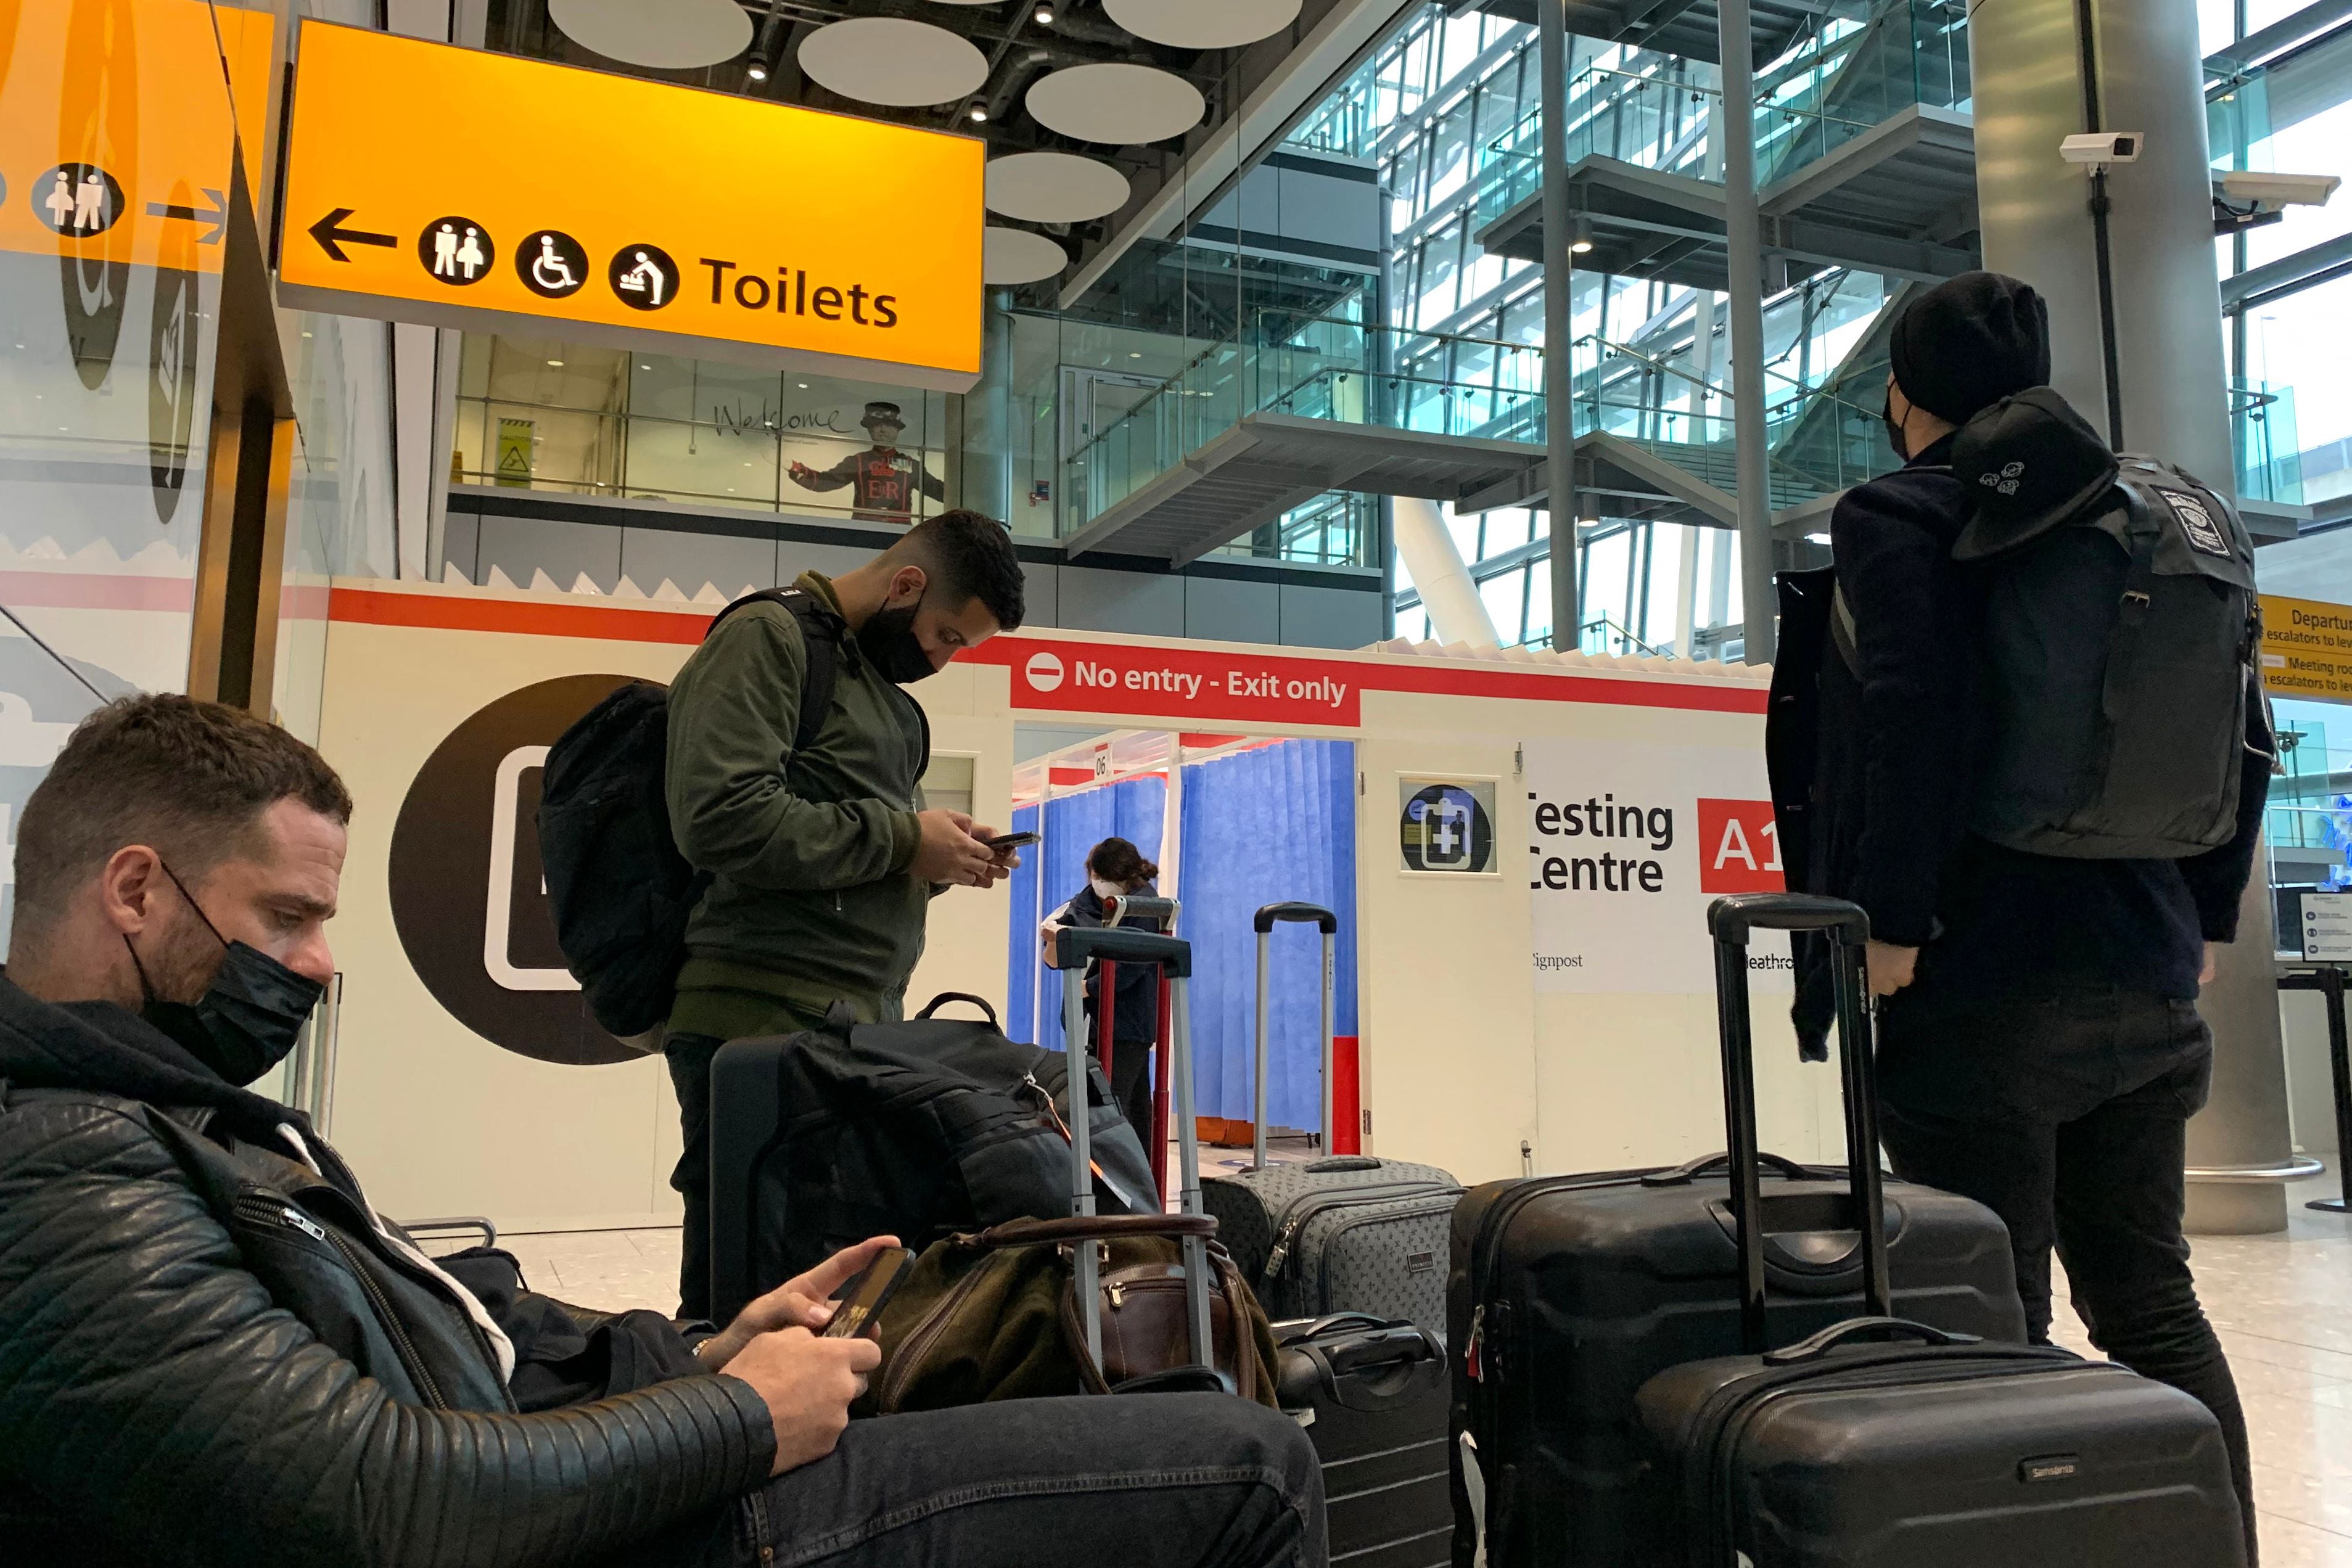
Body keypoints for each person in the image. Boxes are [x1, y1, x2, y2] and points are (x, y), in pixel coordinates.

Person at [0, 694, 1326, 1568]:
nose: (321, 961)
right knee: (1249, 1466)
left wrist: (698, 1347)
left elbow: (457, 1336)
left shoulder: (169, 1120)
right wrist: (736, 1417)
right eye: (287, 915)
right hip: (593, 1527)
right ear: (134, 888)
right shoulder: (63, 1176)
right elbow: (385, 1495)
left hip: (586, 1478)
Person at [1766, 271, 2270, 1562]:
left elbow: (1908, 727)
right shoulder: (2155, 514)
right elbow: (2245, 734)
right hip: (2147, 969)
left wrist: (1886, 920)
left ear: (1900, 393)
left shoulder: (1901, 513)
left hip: (1975, 979)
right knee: (2150, 1300)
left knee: (1983, 1313)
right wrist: (2202, 914)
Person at [664, 508, 1026, 1320]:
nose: (940, 658)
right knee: (751, 1282)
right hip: (759, 1015)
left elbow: (846, 853)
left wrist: (938, 857)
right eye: (945, 635)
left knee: (822, 1281)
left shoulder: (878, 694)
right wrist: (904, 840)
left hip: (849, 1024)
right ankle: (718, 1439)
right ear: (906, 583)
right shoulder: (769, 638)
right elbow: (719, 817)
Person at [1041, 837, 1167, 1143]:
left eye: (1104, 879)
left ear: (1126, 877)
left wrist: (1089, 988)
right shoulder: (1087, 901)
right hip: (1096, 1018)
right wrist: (1056, 938)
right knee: (1132, 1103)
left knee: (1114, 1103)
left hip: (1129, 1020)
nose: (1098, 884)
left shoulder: (1145, 906)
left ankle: (1117, 1175)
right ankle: (1138, 1176)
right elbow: (1053, 949)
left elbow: (1132, 965)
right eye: (1095, 877)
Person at [789, 401, 948, 523]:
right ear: (870, 430)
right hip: (864, 529)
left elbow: (938, 491)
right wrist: (800, 472)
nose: (882, 430)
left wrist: (968, 495)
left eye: (889, 425)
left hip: (899, 533)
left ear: (897, 430)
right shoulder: (858, 461)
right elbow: (827, 482)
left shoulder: (912, 465)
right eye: (876, 425)